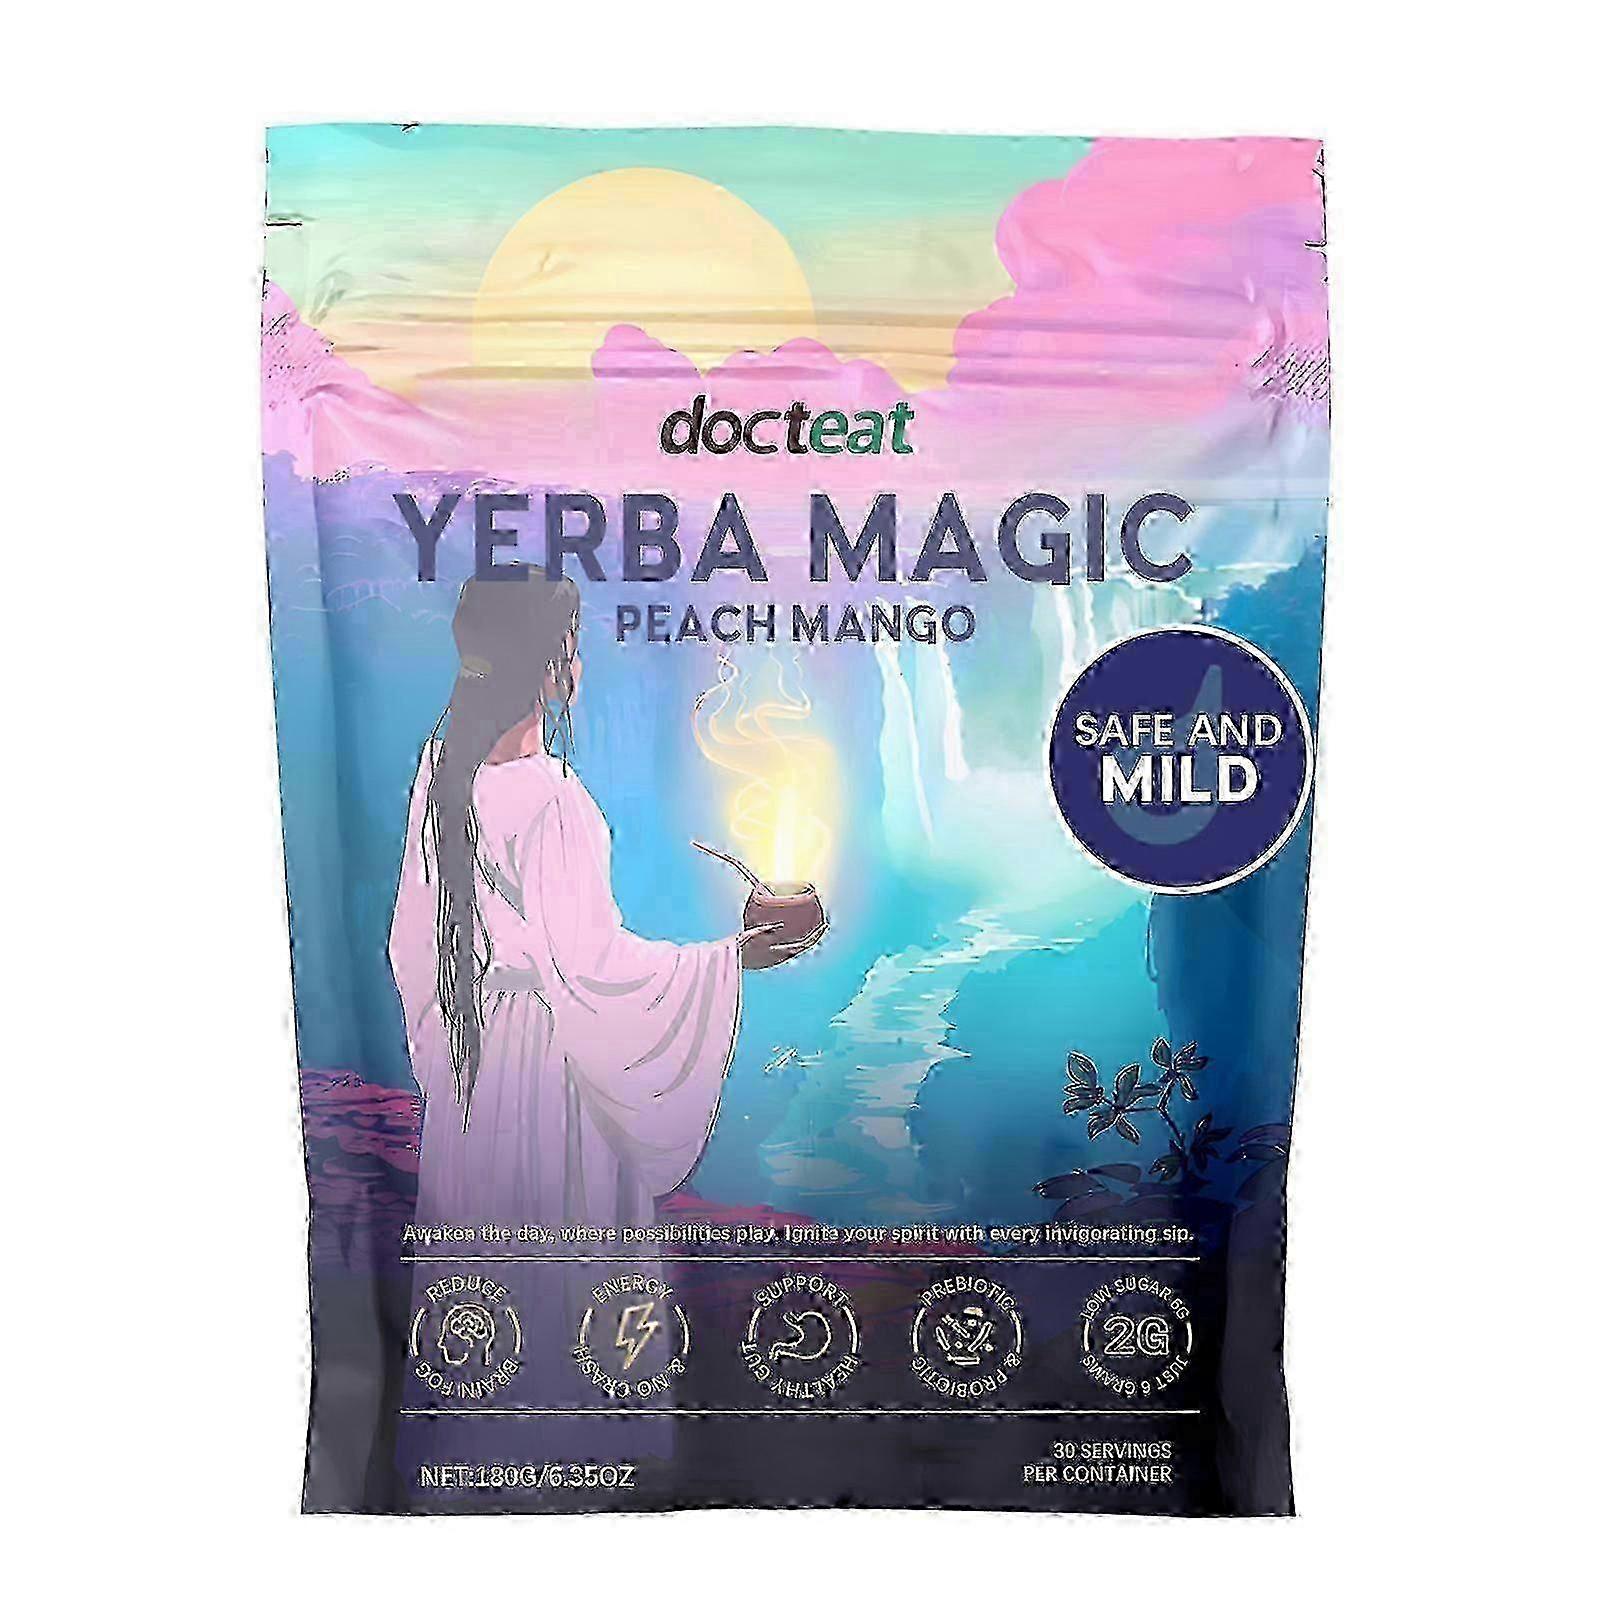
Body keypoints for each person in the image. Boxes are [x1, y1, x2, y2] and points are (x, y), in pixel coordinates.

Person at [388, 574, 821, 1233]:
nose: (578, 661)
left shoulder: (440, 767)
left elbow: (412, 942)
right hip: (546, 1063)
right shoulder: (553, 798)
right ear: (547, 664)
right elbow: (592, 967)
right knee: (564, 1249)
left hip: (472, 1056)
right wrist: (731, 960)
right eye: (571, 644)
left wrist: (443, 1057)